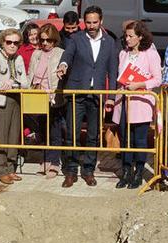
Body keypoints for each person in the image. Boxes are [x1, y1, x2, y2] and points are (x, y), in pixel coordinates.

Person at [56, 5, 119, 188]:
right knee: (72, 135)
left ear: (101, 21)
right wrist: (63, 66)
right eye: (88, 22)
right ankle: (70, 171)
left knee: (93, 135)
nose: (91, 26)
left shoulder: (109, 42)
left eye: (95, 22)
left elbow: (112, 71)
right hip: (76, 93)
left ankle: (88, 170)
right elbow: (67, 55)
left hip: (97, 95)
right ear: (84, 22)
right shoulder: (75, 38)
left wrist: (110, 97)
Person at [112, 21, 162, 189]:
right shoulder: (123, 54)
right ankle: (126, 171)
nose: (127, 39)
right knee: (125, 138)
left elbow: (157, 79)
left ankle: (139, 173)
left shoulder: (150, 54)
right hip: (124, 101)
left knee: (139, 139)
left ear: (140, 37)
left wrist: (139, 85)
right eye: (126, 36)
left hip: (141, 102)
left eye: (131, 36)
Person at [0, 28, 30, 185]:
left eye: (16, 43)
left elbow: (25, 84)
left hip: (16, 100)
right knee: (1, 136)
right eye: (9, 42)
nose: (12, 45)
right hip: (0, 101)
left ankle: (11, 168)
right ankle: (1, 170)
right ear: (2, 42)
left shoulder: (18, 58)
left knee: (14, 135)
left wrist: (12, 83)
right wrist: (15, 83)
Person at [29, 23, 66, 178]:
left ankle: (55, 162)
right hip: (38, 97)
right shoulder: (36, 54)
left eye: (48, 40)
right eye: (42, 40)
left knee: (55, 131)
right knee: (42, 131)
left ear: (54, 40)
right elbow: (30, 74)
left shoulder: (60, 53)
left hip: (54, 98)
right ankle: (44, 160)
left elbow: (65, 72)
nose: (44, 43)